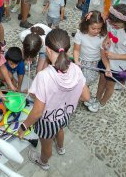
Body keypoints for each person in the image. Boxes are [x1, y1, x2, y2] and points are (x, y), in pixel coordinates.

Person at [17, 29, 90, 170]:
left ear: (47, 50)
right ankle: (61, 148)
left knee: (46, 145)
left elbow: (37, 112)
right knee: (60, 129)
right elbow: (86, 96)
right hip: (64, 115)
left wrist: (24, 126)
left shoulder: (43, 77)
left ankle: (43, 162)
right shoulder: (76, 69)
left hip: (47, 121)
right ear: (67, 49)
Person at [89, 4, 126, 112]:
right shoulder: (110, 22)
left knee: (109, 85)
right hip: (108, 57)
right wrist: (107, 39)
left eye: (116, 24)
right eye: (111, 23)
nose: (112, 25)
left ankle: (102, 103)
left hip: (119, 65)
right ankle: (97, 98)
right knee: (102, 79)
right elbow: (110, 32)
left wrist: (116, 56)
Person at [73, 11, 106, 108]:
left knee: (88, 80)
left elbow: (103, 54)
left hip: (94, 63)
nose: (96, 31)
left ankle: (82, 94)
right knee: (83, 81)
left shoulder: (102, 37)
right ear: (86, 25)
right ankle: (81, 95)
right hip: (82, 62)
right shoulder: (80, 34)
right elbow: (76, 50)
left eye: (99, 29)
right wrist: (76, 61)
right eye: (93, 28)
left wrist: (107, 66)